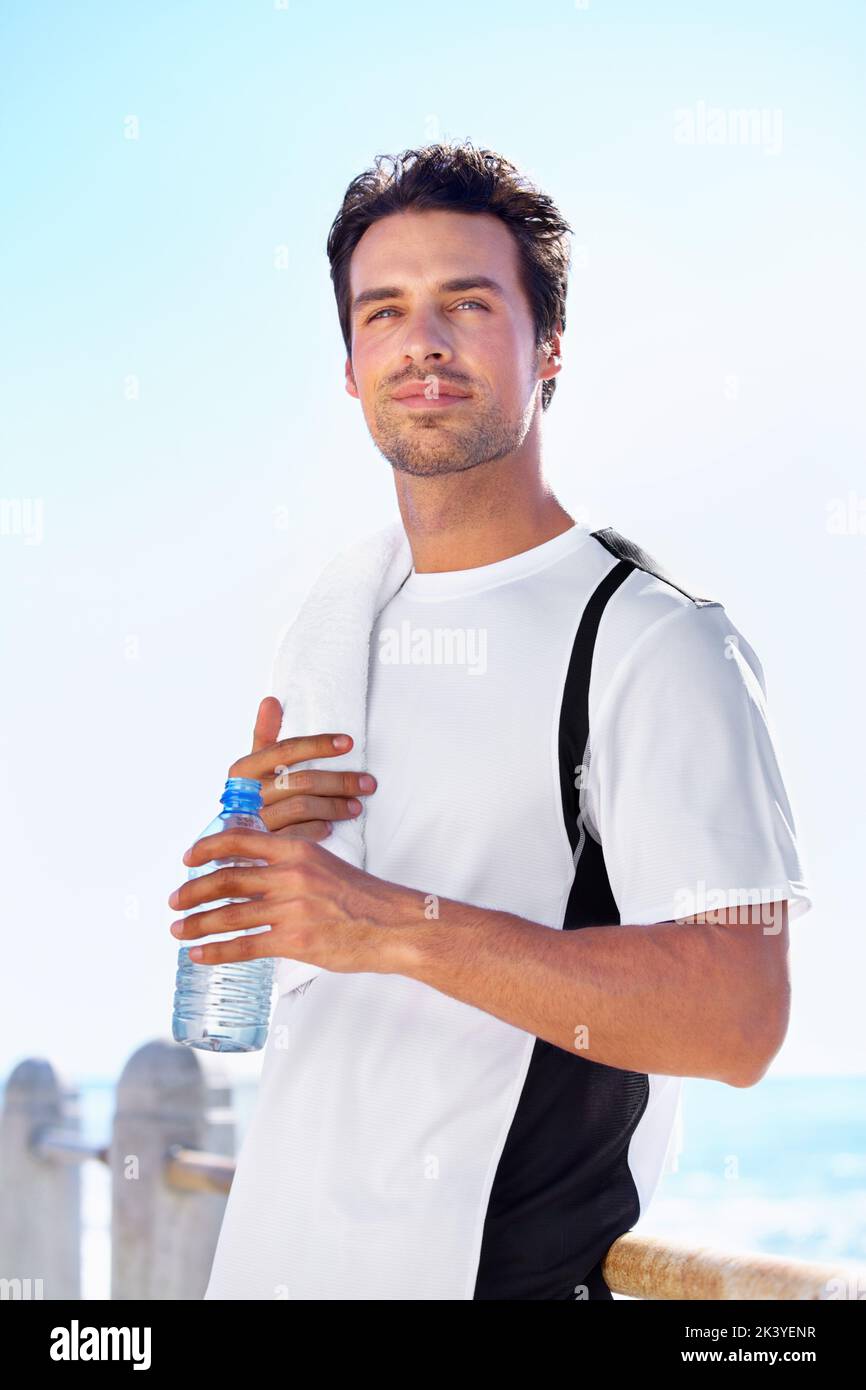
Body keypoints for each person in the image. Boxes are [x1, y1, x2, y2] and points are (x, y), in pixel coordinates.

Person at [170, 141, 811, 1300]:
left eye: (466, 303)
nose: (421, 341)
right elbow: (317, 971)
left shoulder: (650, 638)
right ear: (350, 365)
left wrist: (384, 922)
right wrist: (271, 874)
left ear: (548, 344)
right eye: (384, 312)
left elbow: (739, 1014)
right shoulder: (336, 626)